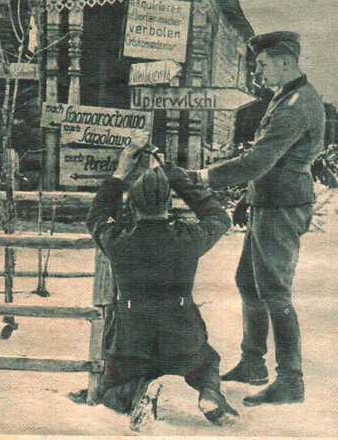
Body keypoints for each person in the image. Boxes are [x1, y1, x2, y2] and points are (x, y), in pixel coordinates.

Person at [189, 31, 325, 406]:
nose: (258, 71)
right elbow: (271, 161)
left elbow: (258, 161)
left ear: (285, 61)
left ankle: (291, 380)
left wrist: (202, 177)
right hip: (268, 201)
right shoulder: (285, 97)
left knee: (275, 290)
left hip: (282, 207)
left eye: (263, 65)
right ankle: (252, 363)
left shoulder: (297, 104)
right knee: (248, 282)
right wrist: (249, 200)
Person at [76, 143, 238, 427]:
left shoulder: (119, 241)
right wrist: (173, 175)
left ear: (133, 206)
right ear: (168, 204)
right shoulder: (188, 238)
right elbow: (219, 217)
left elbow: (97, 217)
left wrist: (119, 172)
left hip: (131, 341)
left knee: (110, 388)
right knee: (207, 363)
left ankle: (136, 391)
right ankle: (209, 393)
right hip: (182, 339)